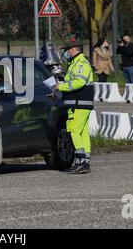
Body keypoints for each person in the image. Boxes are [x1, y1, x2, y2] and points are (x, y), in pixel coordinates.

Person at [52, 39, 94, 174]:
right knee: (82, 132)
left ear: (73, 49)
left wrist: (61, 86)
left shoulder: (81, 63)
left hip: (79, 103)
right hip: (78, 104)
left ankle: (81, 161)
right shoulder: (74, 63)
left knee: (74, 130)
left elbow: (79, 82)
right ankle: (85, 162)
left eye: (66, 50)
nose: (64, 53)